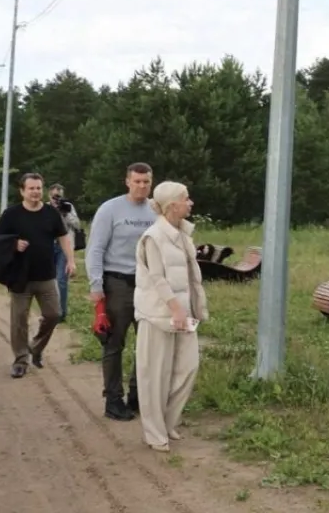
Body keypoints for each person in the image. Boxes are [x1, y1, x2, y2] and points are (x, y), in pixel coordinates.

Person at [133, 181, 208, 453]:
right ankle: (154, 433)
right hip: (157, 314)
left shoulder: (182, 233)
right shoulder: (153, 236)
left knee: (188, 367)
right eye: (186, 199)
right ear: (172, 205)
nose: (191, 203)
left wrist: (191, 308)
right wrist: (175, 309)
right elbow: (157, 277)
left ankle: (168, 422)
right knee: (154, 374)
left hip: (183, 312)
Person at [86, 162, 157, 421]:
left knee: (147, 343)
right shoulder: (111, 209)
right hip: (118, 282)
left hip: (148, 284)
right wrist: (96, 285)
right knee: (114, 343)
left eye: (146, 182)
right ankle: (113, 400)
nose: (142, 186)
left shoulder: (155, 209)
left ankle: (138, 396)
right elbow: (95, 248)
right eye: (137, 181)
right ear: (127, 182)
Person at [0, 173, 75, 378]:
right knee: (19, 319)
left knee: (54, 314)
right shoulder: (11, 214)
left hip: (46, 275)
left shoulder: (51, 213)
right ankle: (21, 360)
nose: (35, 192)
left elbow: (63, 237)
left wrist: (71, 260)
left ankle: (35, 348)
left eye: (38, 188)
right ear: (22, 191)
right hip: (20, 275)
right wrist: (13, 244)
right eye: (31, 188)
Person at [48, 183, 81, 322]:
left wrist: (65, 213)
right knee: (48, 280)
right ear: (49, 195)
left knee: (61, 280)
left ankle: (61, 313)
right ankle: (50, 311)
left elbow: (77, 225)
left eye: (59, 196)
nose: (57, 199)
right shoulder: (45, 207)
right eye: (55, 196)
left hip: (64, 246)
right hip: (49, 245)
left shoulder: (68, 207)